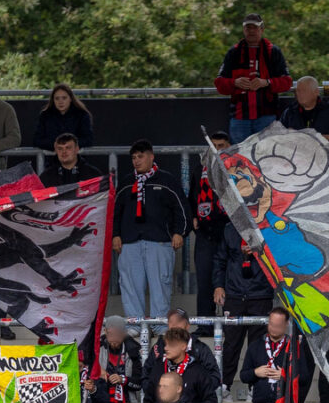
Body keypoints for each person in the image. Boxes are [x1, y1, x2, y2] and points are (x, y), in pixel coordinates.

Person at [112, 140, 187, 321]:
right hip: (130, 243)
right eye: (134, 158)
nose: (137, 161)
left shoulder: (166, 179)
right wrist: (115, 235)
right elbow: (116, 212)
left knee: (160, 285)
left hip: (159, 241)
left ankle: (160, 326)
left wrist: (179, 232)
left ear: (151, 156)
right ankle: (135, 326)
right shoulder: (127, 182)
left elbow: (181, 208)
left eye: (141, 156)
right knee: (130, 286)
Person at [214, 223, 277, 392]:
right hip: (234, 294)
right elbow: (220, 259)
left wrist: (259, 251)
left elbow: (278, 258)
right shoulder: (229, 229)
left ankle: (254, 387)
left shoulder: (267, 227)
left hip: (260, 293)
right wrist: (218, 286)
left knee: (258, 345)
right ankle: (224, 385)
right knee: (231, 343)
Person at [214, 12, 292, 142]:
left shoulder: (273, 52)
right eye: (248, 28)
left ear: (262, 29)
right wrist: (235, 83)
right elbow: (219, 83)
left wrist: (266, 82)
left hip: (267, 116)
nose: (251, 31)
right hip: (239, 117)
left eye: (254, 28)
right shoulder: (234, 52)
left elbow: (287, 82)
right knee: (240, 158)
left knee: (267, 156)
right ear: (243, 30)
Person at [143, 311, 221, 403]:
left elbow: (212, 398)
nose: (166, 349)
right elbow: (148, 390)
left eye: (178, 322)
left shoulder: (198, 363)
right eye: (171, 322)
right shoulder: (159, 359)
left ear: (187, 325)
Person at [189, 132, 233, 318]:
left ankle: (230, 322)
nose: (217, 149)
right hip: (206, 232)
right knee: (205, 279)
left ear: (230, 146)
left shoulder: (238, 168)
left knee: (230, 279)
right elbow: (191, 196)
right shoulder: (201, 169)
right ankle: (205, 323)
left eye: (221, 145)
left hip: (231, 231)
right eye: (213, 145)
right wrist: (193, 217)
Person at [237, 307, 310, 403]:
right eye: (271, 324)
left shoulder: (294, 347)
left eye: (278, 326)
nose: (274, 328)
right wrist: (255, 372)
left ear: (286, 324)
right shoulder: (255, 346)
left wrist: (286, 375)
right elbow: (243, 376)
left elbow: (305, 378)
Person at [278, 76, 329, 151]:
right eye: (298, 91)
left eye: (304, 90)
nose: (299, 94)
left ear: (316, 92)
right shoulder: (290, 112)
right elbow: (276, 137)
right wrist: (287, 135)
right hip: (297, 158)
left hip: (326, 158)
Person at [32, 84, 94, 158]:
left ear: (70, 99)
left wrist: (68, 146)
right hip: (52, 161)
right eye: (57, 98)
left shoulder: (82, 115)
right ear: (53, 100)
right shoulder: (45, 115)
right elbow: (37, 140)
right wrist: (55, 146)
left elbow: (88, 139)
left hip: (76, 161)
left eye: (64, 98)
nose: (60, 101)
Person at [39, 133, 103, 187]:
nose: (64, 152)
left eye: (68, 148)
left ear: (77, 149)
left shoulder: (93, 175)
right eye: (60, 149)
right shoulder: (46, 177)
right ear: (56, 151)